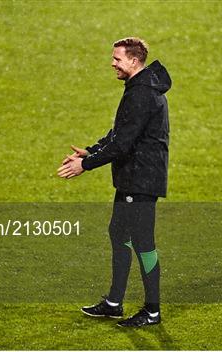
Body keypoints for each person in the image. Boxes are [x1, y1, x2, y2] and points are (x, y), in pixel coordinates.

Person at [57, 37, 171, 327]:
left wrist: (86, 164)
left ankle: (152, 310)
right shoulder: (139, 88)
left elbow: (123, 145)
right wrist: (92, 150)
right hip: (133, 178)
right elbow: (120, 133)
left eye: (117, 59)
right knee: (118, 233)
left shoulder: (142, 94)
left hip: (141, 181)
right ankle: (113, 302)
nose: (113, 63)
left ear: (134, 61)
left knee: (144, 243)